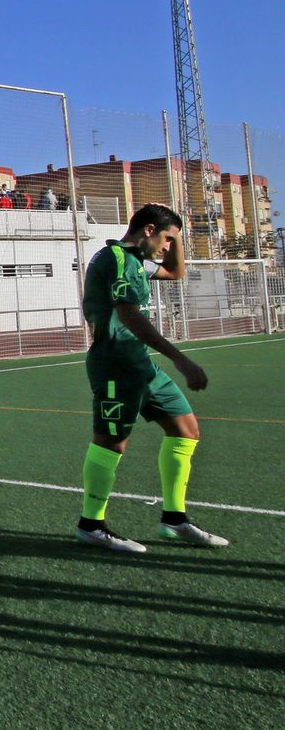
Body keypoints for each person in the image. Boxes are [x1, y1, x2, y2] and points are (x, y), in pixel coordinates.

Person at [77, 204, 225, 552]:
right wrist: (179, 359)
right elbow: (128, 314)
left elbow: (176, 274)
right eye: (166, 239)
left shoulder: (136, 260)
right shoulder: (117, 258)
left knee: (185, 429)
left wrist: (177, 233)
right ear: (147, 230)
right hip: (115, 364)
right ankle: (91, 525)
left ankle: (174, 520)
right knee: (111, 443)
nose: (168, 248)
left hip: (141, 365)